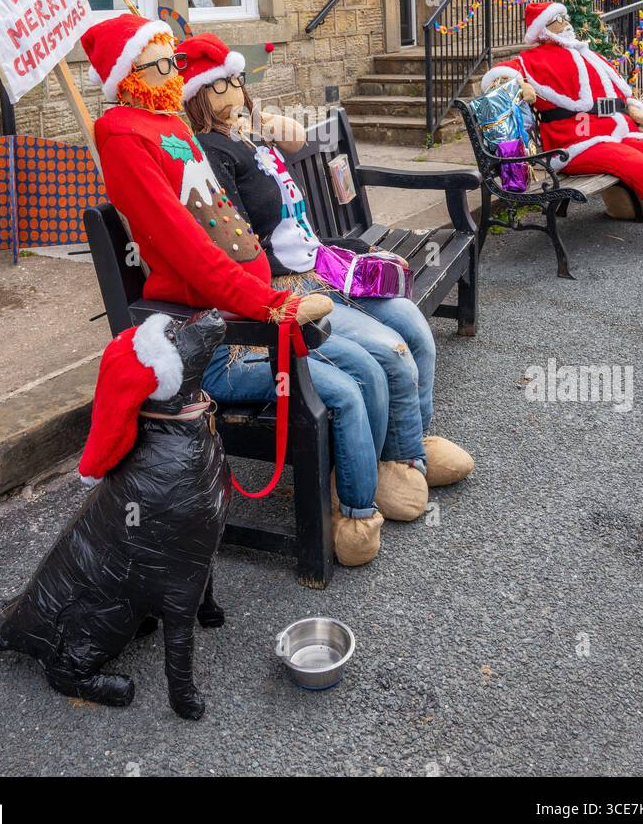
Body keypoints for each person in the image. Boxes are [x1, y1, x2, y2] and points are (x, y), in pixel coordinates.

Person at [77, 11, 387, 566]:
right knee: (344, 387)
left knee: (366, 364)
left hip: (250, 306)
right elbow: (183, 244)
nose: (174, 71)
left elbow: (223, 222)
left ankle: (369, 484)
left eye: (174, 60)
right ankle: (356, 515)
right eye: (161, 63)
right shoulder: (122, 133)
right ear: (129, 75)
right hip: (222, 332)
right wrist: (268, 303)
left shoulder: (169, 124)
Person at [176, 32, 475, 519]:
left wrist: (350, 248)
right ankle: (384, 468)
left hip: (321, 267)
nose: (235, 92)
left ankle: (411, 446)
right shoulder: (211, 154)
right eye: (221, 86)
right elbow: (239, 244)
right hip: (285, 286)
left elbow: (298, 205)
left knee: (413, 327)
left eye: (237, 81)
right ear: (199, 100)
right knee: (389, 351)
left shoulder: (250, 141)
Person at [481, 0, 643, 257]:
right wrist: (517, 86)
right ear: (543, 29)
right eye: (559, 21)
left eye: (566, 20)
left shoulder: (587, 54)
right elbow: (497, 78)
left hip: (617, 134)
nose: (567, 25)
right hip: (574, 145)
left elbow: (617, 93)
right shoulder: (530, 61)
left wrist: (634, 106)